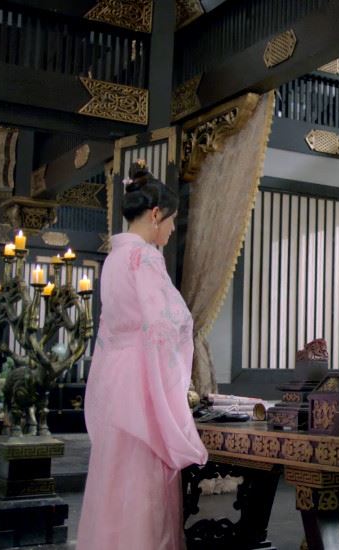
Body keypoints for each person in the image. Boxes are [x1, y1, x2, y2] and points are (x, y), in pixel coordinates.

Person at [77, 161, 208, 550]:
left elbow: (109, 328)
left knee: (114, 475)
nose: (172, 229)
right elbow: (167, 324)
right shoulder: (146, 257)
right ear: (155, 215)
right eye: (171, 221)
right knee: (145, 477)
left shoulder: (114, 258)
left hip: (115, 377)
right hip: (142, 377)